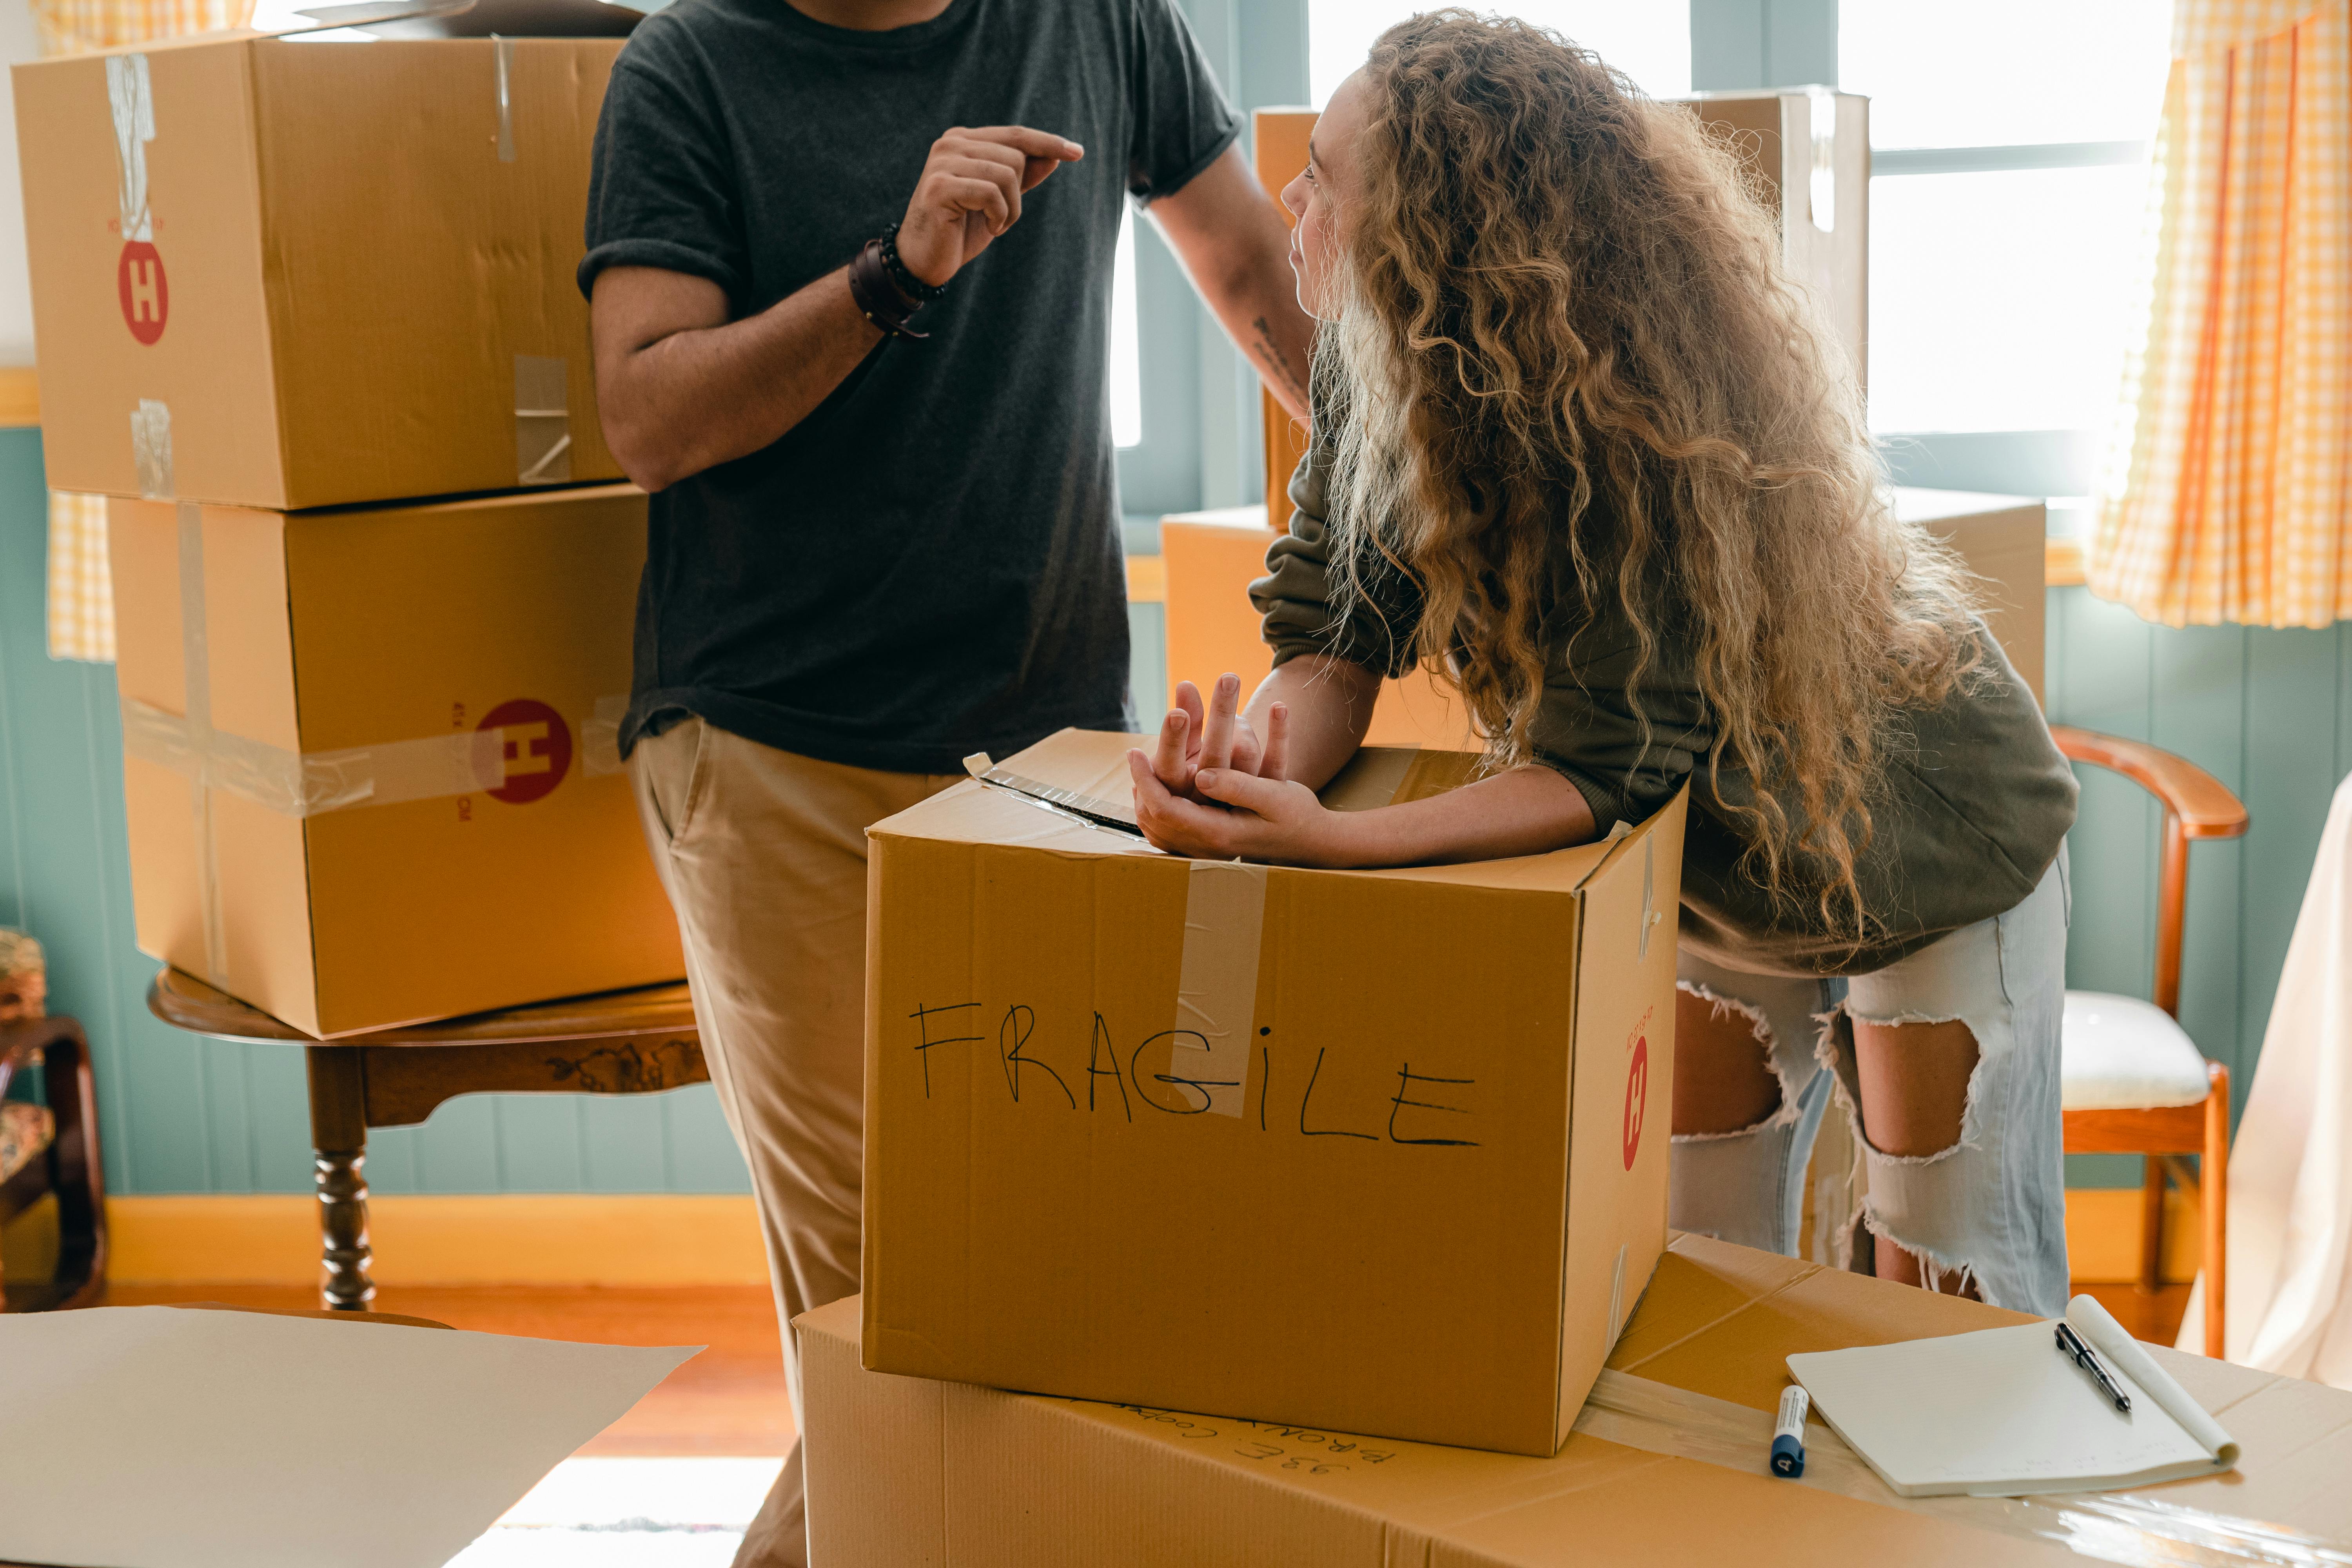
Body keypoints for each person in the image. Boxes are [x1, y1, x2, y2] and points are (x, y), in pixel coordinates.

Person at [1127, 13, 2080, 1317]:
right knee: (1700, 1253)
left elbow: (1601, 774)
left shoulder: (1627, 425)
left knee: (1945, 1280)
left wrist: (1332, 845)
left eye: (1325, 180)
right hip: (1718, 857)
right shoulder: (1373, 360)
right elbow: (1335, 641)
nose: (1289, 199)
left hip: (1920, 839)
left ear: (1429, 231)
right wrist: (1254, 777)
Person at [579, 1, 1315, 1560]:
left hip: (1044, 749)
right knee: (889, 1302)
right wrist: (890, 274)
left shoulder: (1100, 20)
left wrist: (1418, 491)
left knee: (1020, 1284)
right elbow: (646, 414)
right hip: (777, 740)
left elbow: (1253, 272)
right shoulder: (691, 67)